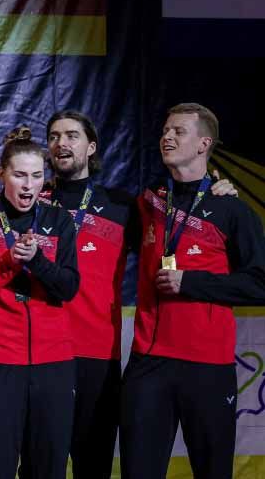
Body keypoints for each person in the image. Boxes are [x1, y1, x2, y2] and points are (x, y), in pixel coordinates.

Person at [120, 103, 265, 479]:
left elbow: (259, 283)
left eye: (178, 131)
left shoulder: (231, 210)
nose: (167, 137)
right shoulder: (149, 202)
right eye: (165, 130)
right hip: (147, 363)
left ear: (204, 143)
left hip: (207, 365)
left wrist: (191, 282)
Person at [0, 126, 80, 479]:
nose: (29, 185)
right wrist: (9, 261)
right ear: (2, 175)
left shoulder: (58, 221)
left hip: (53, 361)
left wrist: (37, 261)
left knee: (47, 465)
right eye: (20, 175)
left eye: (37, 176)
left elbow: (69, 287)